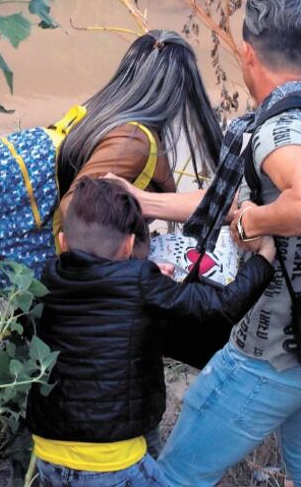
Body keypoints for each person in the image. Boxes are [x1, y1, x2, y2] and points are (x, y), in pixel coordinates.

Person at [122, 0, 301, 486]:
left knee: (173, 478)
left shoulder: (279, 133)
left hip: (270, 354)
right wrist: (143, 202)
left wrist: (253, 225)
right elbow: (231, 201)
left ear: (246, 53)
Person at [24, 177, 276, 487]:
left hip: (47, 449)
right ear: (130, 245)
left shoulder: (46, 279)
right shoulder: (141, 280)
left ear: (63, 242)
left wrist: (150, 287)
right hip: (110, 458)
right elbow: (219, 307)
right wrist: (264, 258)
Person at [56, 30, 221, 259]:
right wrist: (122, 271)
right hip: (75, 268)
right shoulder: (132, 139)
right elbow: (75, 207)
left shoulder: (100, 115)